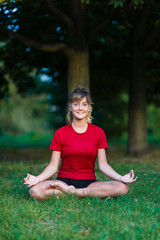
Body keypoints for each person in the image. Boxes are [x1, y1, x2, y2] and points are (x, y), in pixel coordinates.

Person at [24, 88, 137, 200]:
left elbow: (103, 165)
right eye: (76, 104)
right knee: (34, 191)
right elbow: (53, 167)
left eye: (84, 104)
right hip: (63, 181)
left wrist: (121, 177)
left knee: (122, 188)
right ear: (70, 107)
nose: (80, 108)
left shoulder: (98, 132)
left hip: (89, 183)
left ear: (89, 108)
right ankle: (82, 193)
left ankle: (73, 192)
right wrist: (37, 179)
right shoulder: (60, 133)